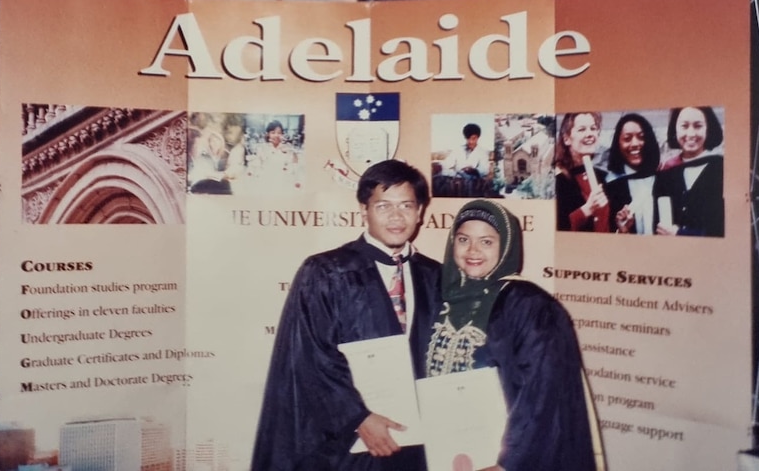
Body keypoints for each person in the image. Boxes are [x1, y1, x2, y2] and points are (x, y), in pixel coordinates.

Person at [251, 159, 442, 471]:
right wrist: (358, 418)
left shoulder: (437, 277)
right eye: (383, 206)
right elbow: (309, 358)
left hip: (418, 443)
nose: (396, 217)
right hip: (347, 444)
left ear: (420, 212)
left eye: (406, 205)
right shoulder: (326, 272)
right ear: (363, 210)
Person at [426, 200, 603, 471]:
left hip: (505, 458)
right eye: (463, 239)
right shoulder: (444, 299)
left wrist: (507, 463)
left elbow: (542, 394)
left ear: (506, 246)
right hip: (446, 452)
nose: (472, 250)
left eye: (486, 242)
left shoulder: (529, 305)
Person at [653, 106, 725, 237]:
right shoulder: (665, 175)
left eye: (698, 126)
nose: (691, 134)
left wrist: (681, 233)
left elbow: (725, 229)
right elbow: (658, 226)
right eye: (684, 126)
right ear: (675, 129)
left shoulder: (723, 170)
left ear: (708, 129)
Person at [604, 113, 661, 234]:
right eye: (627, 138)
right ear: (618, 144)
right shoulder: (610, 186)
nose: (635, 144)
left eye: (641, 137)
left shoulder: (664, 180)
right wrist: (622, 231)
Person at [554, 112, 609, 232]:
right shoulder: (557, 181)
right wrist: (587, 209)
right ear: (567, 139)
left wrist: (621, 226)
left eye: (593, 128)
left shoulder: (602, 176)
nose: (589, 134)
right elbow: (556, 229)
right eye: (582, 129)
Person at [433, 123, 492, 197]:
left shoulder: (482, 152)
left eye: (473, 138)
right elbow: (447, 164)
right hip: (456, 182)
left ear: (478, 138)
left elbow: (484, 170)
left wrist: (474, 171)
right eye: (468, 139)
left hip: (472, 184)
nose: (470, 141)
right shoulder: (458, 149)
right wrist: (439, 166)